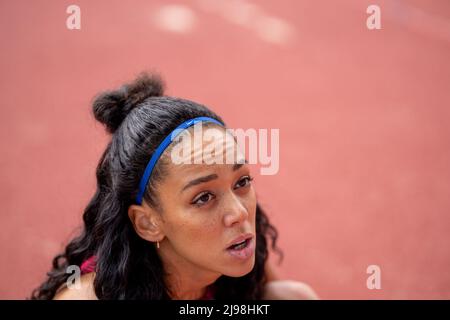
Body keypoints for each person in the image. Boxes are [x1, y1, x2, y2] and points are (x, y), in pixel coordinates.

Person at [31, 72, 318, 300]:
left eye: (241, 182)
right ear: (147, 223)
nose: (239, 213)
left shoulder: (241, 252)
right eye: (203, 197)